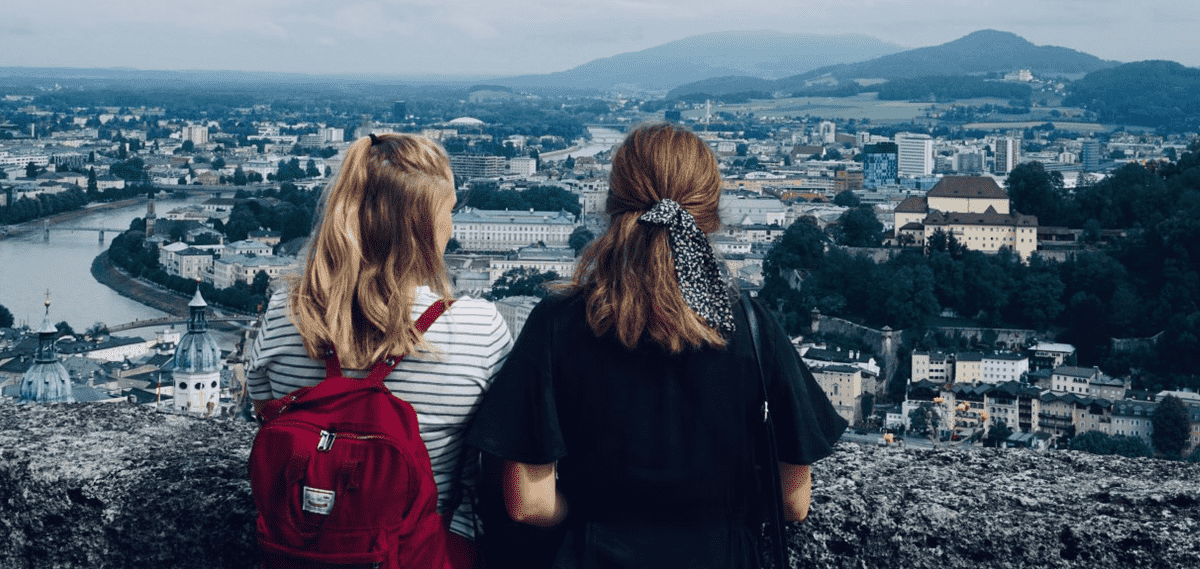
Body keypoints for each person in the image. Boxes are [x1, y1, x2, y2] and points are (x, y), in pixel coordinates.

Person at [467, 122, 846, 568]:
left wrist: (590, 520)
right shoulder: (749, 324)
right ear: (709, 211)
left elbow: (528, 501)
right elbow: (793, 502)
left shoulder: (559, 322)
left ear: (614, 203)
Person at [247, 132, 512, 561]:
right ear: (424, 225)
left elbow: (264, 419)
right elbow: (498, 466)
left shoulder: (284, 312)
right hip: (424, 552)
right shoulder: (478, 328)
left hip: (301, 553)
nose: (452, 227)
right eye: (449, 212)